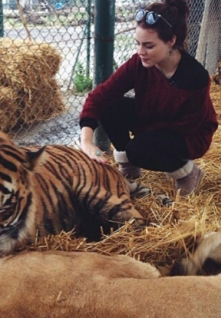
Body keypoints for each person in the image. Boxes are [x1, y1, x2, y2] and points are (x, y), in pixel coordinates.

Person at [79, 0, 218, 196]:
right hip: (154, 116)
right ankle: (129, 169)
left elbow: (185, 126)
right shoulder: (139, 62)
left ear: (171, 41)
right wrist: (86, 141)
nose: (140, 51)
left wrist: (139, 141)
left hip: (190, 135)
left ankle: (188, 173)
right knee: (111, 107)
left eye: (148, 45)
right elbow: (99, 96)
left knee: (139, 150)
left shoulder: (194, 77)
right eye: (137, 43)